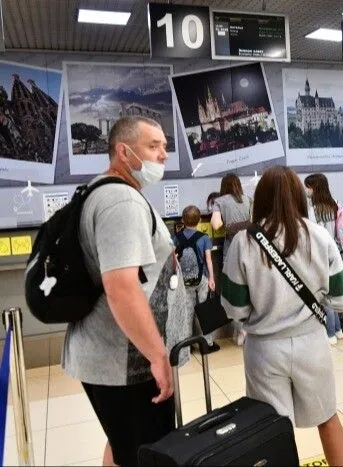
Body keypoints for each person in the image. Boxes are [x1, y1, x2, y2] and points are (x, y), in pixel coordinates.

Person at [63, 116, 192, 466]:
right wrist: (157, 357)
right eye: (153, 146)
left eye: (164, 146)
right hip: (126, 362)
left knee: (123, 446)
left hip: (112, 353)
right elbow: (121, 288)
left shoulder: (104, 191)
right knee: (145, 452)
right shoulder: (122, 203)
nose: (163, 154)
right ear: (124, 151)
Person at [221, 166, 343, 466]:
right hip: (312, 344)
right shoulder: (319, 236)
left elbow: (234, 308)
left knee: (272, 431)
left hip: (264, 350)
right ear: (299, 195)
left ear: (261, 198)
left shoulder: (245, 241)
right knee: (328, 418)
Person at [211, 173, 252, 345]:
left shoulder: (219, 202)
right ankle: (250, 328)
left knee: (234, 291)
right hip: (250, 247)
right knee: (251, 290)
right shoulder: (248, 198)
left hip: (231, 250)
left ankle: (241, 330)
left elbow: (216, 225)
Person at [304, 173, 343, 345]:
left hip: (321, 254)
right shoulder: (334, 204)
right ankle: (337, 329)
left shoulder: (313, 209)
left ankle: (329, 333)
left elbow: (312, 232)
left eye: (308, 187)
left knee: (324, 295)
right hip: (335, 251)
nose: (306, 190)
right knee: (332, 292)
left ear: (314, 188)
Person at [174, 205, 219, 353]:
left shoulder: (177, 237)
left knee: (187, 313)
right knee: (204, 312)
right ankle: (208, 343)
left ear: (182, 220)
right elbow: (208, 260)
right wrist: (212, 278)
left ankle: (186, 346)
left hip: (184, 281)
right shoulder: (204, 238)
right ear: (199, 220)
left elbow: (173, 258)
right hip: (202, 280)